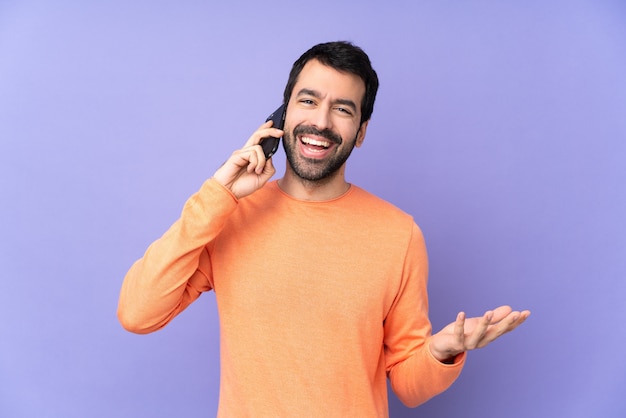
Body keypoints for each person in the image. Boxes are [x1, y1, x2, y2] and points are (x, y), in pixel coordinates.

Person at [118, 41, 530, 417]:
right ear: (281, 116)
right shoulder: (230, 216)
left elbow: (408, 385)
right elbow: (138, 313)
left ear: (361, 132)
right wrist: (217, 194)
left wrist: (442, 351)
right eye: (308, 100)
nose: (321, 120)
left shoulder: (399, 234)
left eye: (343, 109)